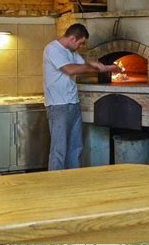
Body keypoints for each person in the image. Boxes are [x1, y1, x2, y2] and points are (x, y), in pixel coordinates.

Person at [43, 23, 122, 170]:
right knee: (59, 150)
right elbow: (70, 69)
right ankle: (54, 185)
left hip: (73, 104)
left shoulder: (71, 51)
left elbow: (85, 64)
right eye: (81, 43)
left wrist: (107, 68)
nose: (81, 46)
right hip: (58, 106)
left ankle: (74, 182)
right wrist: (90, 66)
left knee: (76, 148)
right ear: (72, 38)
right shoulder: (52, 49)